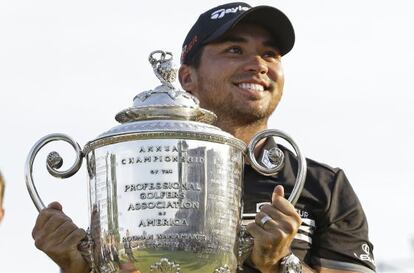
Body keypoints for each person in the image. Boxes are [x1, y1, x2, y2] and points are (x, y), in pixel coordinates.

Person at [31, 2, 376, 273]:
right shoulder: (144, 174)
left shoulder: (325, 187)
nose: (258, 64)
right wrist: (75, 267)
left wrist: (280, 264)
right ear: (187, 78)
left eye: (269, 53)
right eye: (234, 51)